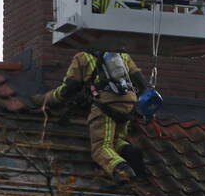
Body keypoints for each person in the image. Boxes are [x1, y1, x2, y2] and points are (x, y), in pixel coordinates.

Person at [30, 50, 150, 185]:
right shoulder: (123, 55)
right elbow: (140, 81)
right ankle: (133, 156)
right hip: (129, 104)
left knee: (101, 146)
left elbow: (67, 90)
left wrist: (43, 99)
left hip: (106, 104)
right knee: (116, 140)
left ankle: (122, 170)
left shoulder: (82, 57)